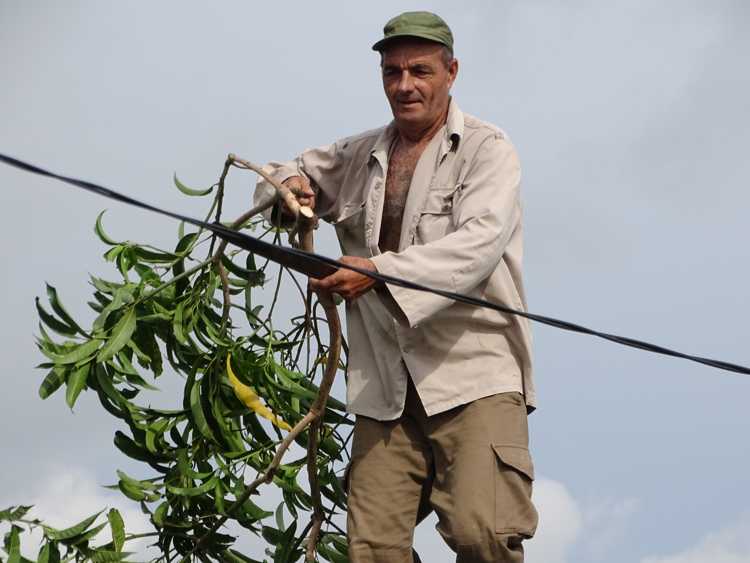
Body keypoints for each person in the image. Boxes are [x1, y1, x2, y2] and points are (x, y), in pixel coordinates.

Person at [254, 11, 538, 563]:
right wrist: (289, 189)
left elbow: (477, 246)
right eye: (392, 73)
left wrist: (377, 272)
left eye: (420, 71)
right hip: (386, 385)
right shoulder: (361, 155)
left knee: (485, 536)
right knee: (371, 551)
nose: (405, 85)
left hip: (472, 374)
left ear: (451, 72)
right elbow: (282, 175)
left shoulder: (488, 149)